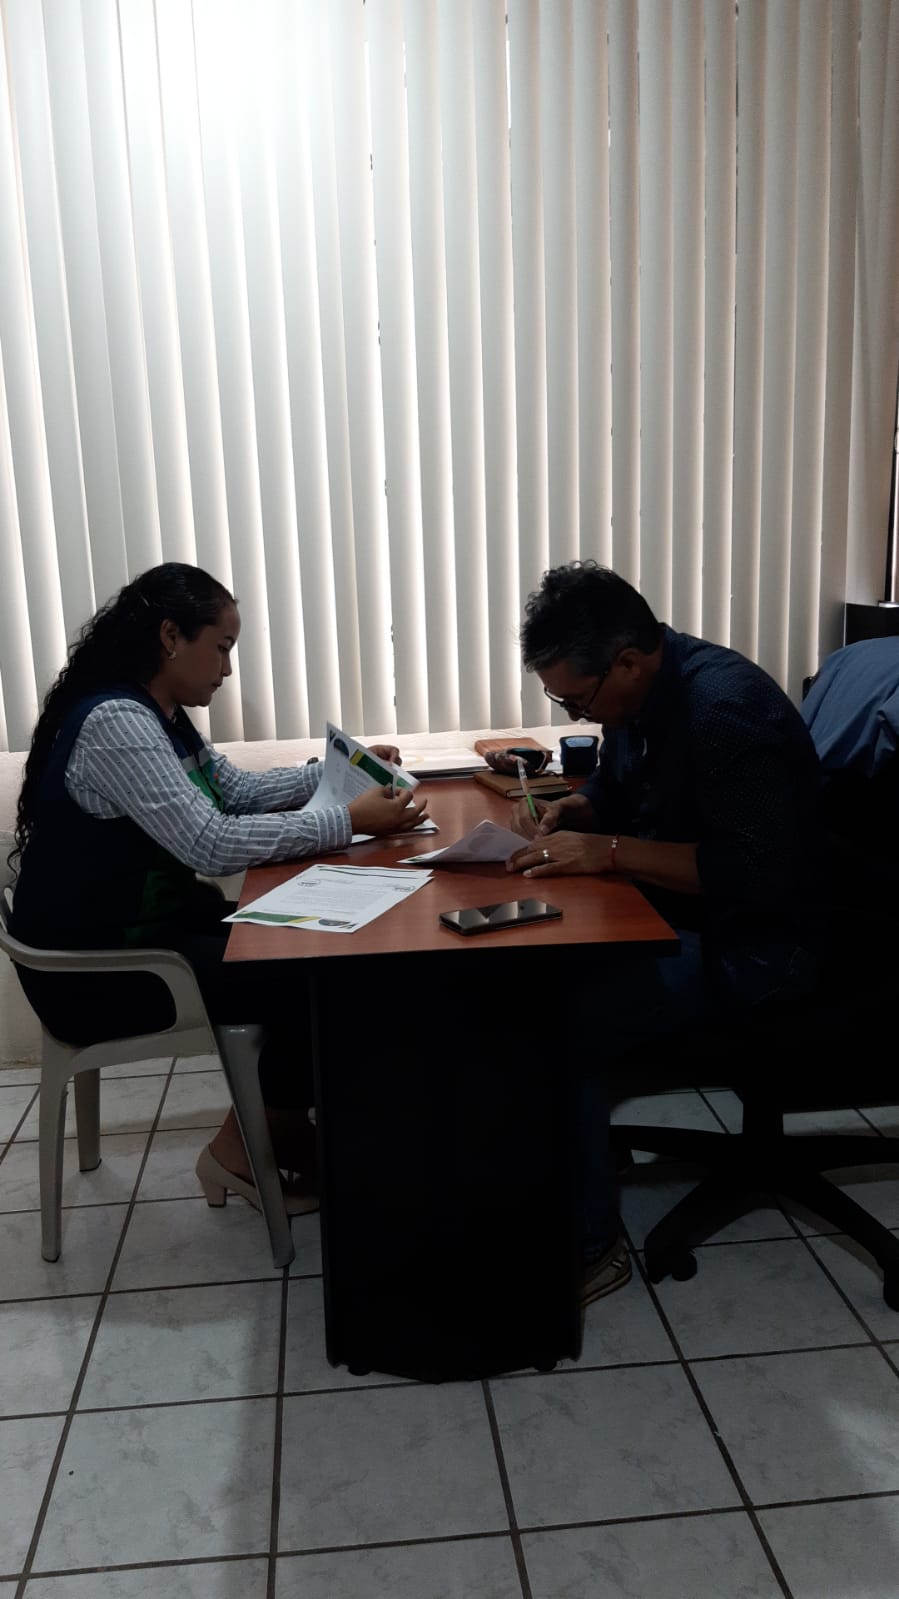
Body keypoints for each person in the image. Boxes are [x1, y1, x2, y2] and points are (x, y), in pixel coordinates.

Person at [9, 562, 428, 1215]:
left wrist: (337, 772)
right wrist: (347, 820)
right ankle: (244, 1149)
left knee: (305, 947)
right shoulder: (118, 722)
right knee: (302, 974)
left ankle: (280, 1132)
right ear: (171, 636)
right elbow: (209, 842)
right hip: (97, 971)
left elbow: (230, 791)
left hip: (141, 931)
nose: (228, 669)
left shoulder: (159, 712)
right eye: (223, 647)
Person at [506, 562, 824, 1306]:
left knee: (557, 1024)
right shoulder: (645, 694)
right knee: (525, 976)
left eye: (576, 700)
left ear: (626, 662)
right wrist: (579, 807)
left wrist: (611, 851)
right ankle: (563, 1162)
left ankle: (593, 1247)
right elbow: (620, 784)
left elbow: (756, 873)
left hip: (761, 946)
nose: (576, 714)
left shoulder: (721, 710)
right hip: (680, 914)